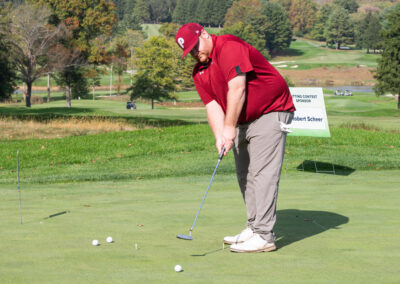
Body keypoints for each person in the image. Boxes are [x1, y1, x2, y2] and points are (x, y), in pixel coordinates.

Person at [175, 23, 295, 253]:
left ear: (205, 34)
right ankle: (253, 227)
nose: (194, 53)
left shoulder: (229, 47)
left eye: (195, 46)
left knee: (262, 173)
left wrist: (229, 127)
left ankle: (264, 235)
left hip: (271, 110)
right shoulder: (199, 72)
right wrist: (220, 136)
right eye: (189, 51)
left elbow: (237, 88)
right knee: (244, 173)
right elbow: (212, 106)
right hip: (242, 118)